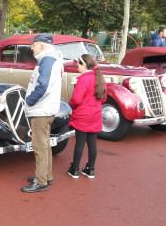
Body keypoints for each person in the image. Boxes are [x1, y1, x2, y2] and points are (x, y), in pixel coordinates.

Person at [21, 33, 63, 193]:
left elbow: (43, 85)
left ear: (42, 45)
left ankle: (41, 181)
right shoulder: (53, 59)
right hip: (47, 108)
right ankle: (46, 175)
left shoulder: (46, 60)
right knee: (45, 144)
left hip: (41, 110)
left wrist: (30, 100)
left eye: (34, 44)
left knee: (39, 146)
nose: (31, 47)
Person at [67, 54, 107, 179]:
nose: (76, 66)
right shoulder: (99, 77)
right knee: (92, 144)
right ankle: (90, 169)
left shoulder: (83, 79)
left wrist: (70, 105)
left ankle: (75, 169)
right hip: (95, 115)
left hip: (83, 115)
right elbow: (103, 98)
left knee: (79, 143)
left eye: (78, 64)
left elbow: (76, 99)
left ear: (84, 65)